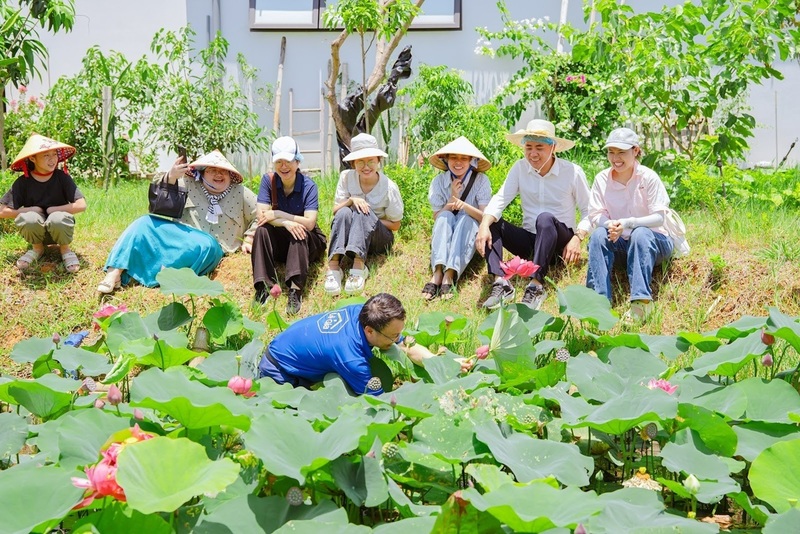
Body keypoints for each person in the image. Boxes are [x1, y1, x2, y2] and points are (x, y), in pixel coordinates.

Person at [98, 150, 258, 293]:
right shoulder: (189, 184)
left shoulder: (242, 193)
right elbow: (159, 201)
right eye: (212, 170)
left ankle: (160, 276)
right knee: (144, 222)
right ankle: (114, 272)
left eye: (224, 171)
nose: (219, 174)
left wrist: (250, 238)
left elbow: (262, 215)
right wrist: (171, 176)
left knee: (206, 245)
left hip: (211, 246)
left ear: (231, 175)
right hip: (181, 236)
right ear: (202, 173)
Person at [475, 119, 591, 310]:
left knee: (545, 218)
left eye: (539, 147)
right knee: (492, 222)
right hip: (531, 242)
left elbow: (590, 211)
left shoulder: (572, 172)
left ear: (553, 148)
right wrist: (484, 225)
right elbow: (500, 199)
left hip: (559, 243)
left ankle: (536, 286)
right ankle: (501, 283)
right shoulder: (520, 168)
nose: (533, 153)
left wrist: (578, 237)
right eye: (528, 147)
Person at [257, 293, 458, 395]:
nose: (396, 338)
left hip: (291, 349)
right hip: (278, 371)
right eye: (392, 336)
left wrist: (447, 363)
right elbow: (378, 403)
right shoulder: (351, 358)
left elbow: (405, 344)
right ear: (369, 331)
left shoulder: (361, 312)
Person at [585, 128, 673, 323]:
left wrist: (627, 223)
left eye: (621, 152)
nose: (615, 158)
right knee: (599, 234)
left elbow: (659, 218)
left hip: (654, 242)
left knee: (640, 233)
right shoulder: (601, 179)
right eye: (611, 152)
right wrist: (611, 225)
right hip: (621, 244)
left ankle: (641, 302)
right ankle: (599, 302)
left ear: (636, 151)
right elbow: (595, 215)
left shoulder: (648, 177)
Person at [252, 137, 327, 315]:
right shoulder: (268, 181)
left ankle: (295, 289)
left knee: (299, 230)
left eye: (288, 161)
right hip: (282, 241)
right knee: (262, 230)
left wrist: (280, 214)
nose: (283, 166)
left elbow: (309, 223)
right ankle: (263, 286)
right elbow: (262, 216)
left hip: (307, 243)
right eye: (279, 161)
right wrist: (286, 223)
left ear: (297, 161)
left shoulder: (309, 186)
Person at [324, 133, 403, 295]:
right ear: (353, 163)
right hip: (351, 235)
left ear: (378, 161)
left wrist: (369, 218)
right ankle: (334, 268)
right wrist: (351, 200)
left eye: (371, 161)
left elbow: (396, 224)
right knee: (345, 211)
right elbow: (335, 211)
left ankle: (359, 267)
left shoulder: (389, 187)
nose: (366, 166)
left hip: (379, 239)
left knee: (362, 212)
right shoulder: (346, 177)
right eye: (360, 161)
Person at [0, 134, 86, 273]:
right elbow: (2, 211)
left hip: (60, 229)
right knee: (28, 218)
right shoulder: (23, 183)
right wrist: (31, 210)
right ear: (33, 158)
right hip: (36, 231)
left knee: (58, 217)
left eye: (54, 154)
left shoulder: (62, 178)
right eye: (46, 155)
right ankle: (37, 248)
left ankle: (65, 249)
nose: (52, 159)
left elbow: (81, 204)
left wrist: (53, 210)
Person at [423, 136, 493, 301]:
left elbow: (485, 217)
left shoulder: (481, 181)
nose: (458, 162)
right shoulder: (438, 182)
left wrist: (464, 206)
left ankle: (450, 273)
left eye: (464, 158)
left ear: (471, 161)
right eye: (454, 157)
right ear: (446, 160)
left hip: (468, 232)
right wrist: (452, 198)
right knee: (445, 215)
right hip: (446, 228)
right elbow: (436, 217)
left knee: (465, 219)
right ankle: (438, 272)